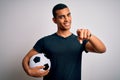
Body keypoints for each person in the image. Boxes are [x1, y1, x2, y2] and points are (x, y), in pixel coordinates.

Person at [22, 3, 106, 80]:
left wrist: (90, 36)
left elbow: (102, 49)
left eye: (68, 15)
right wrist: (28, 71)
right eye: (61, 17)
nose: (66, 19)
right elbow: (26, 58)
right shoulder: (45, 41)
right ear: (54, 20)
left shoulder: (79, 40)